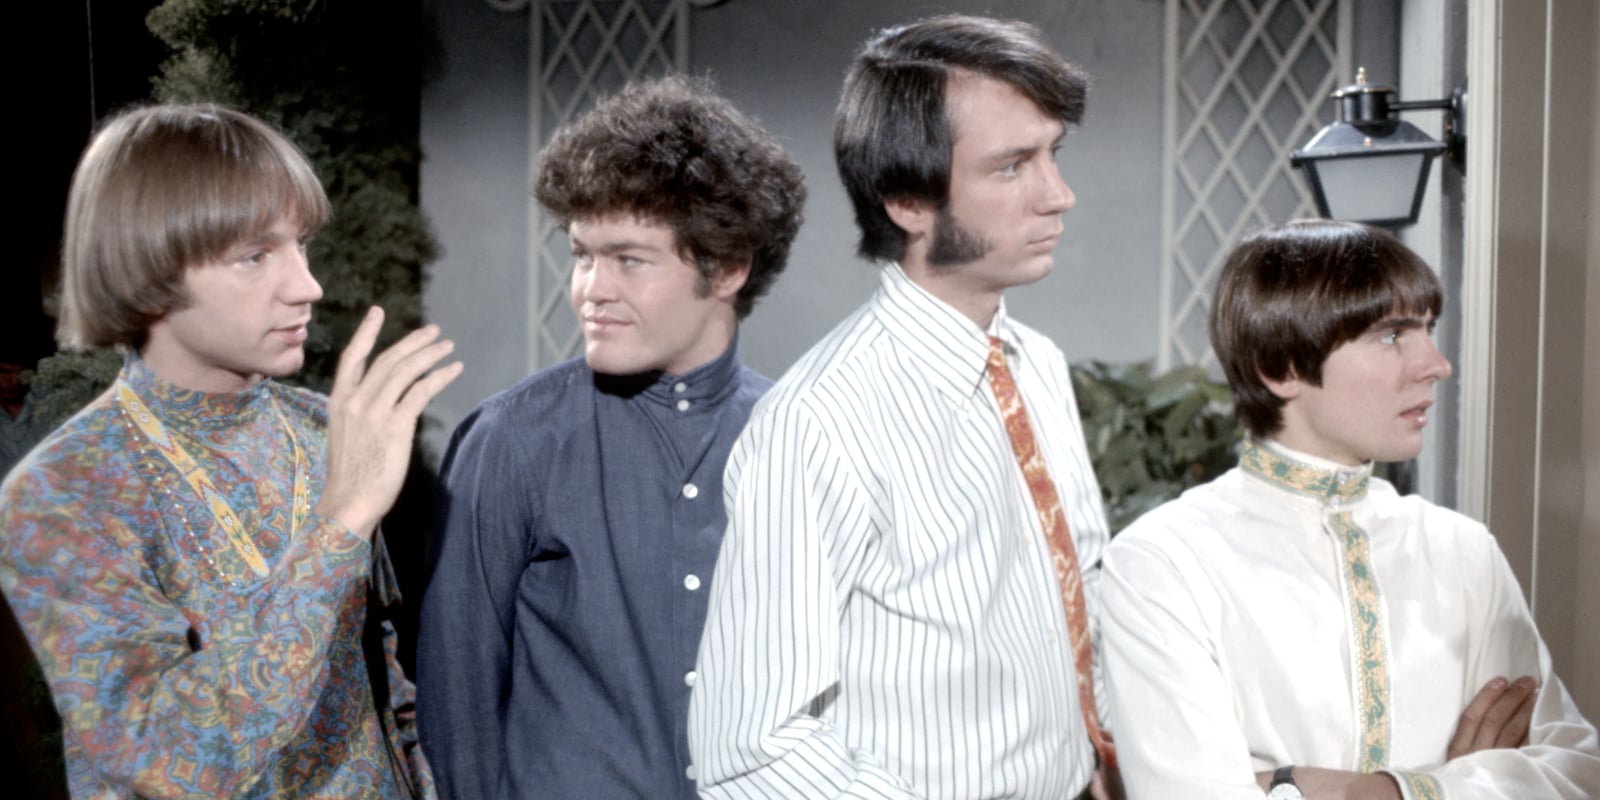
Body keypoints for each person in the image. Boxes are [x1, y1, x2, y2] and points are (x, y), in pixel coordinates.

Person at [689, 15, 1117, 799]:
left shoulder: (1038, 366)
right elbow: (752, 750)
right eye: (1012, 166)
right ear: (908, 202)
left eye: (1053, 154)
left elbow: (1081, 588)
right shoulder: (820, 422)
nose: (1059, 196)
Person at [0, 103, 461, 799]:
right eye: (255, 256)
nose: (307, 286)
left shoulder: (322, 428)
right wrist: (340, 521)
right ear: (146, 271)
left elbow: (385, 678)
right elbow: (171, 763)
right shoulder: (63, 489)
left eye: (300, 244)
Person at [1101, 219, 1600, 798]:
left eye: (1428, 329)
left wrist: (1372, 791)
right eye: (1392, 336)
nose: (1436, 364)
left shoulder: (1463, 550)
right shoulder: (1163, 563)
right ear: (1281, 367)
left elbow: (1578, 772)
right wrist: (1471, 784)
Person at [414, 75, 805, 800]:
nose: (592, 289)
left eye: (629, 259)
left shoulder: (803, 442)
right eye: (582, 255)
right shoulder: (511, 442)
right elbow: (457, 711)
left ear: (729, 267)